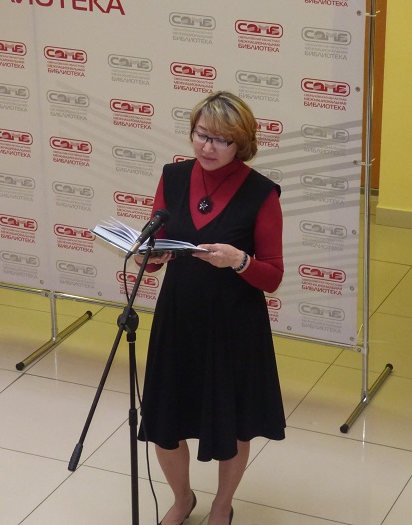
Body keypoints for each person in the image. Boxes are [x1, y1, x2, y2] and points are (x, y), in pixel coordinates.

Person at [135, 91, 286, 525]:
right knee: (165, 420)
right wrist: (151, 257)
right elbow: (154, 246)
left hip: (234, 326)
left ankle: (222, 504)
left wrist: (239, 261)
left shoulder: (261, 193)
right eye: (202, 134)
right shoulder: (173, 177)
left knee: (232, 424)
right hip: (178, 316)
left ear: (242, 143)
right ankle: (183, 499)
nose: (207, 147)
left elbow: (273, 277)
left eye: (221, 140)